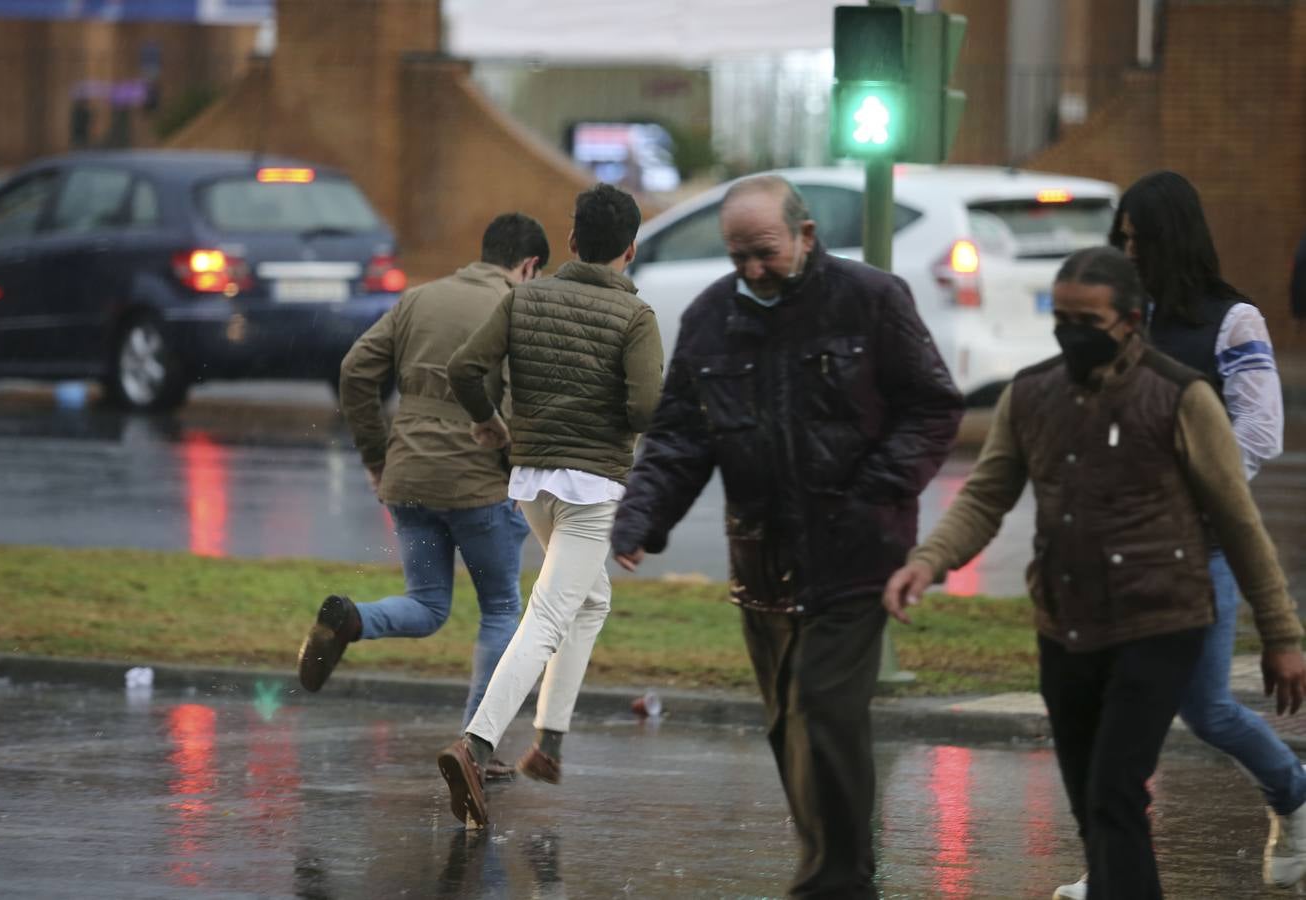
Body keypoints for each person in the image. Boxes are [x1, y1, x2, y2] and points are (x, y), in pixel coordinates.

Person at [883, 245, 1306, 900]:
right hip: (1067, 623)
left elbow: (1239, 522)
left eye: (1090, 320)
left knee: (1114, 788)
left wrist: (1282, 637)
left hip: (1161, 619)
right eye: (1062, 316)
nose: (1072, 332)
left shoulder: (1181, 398)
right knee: (1090, 799)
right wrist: (928, 560)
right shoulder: (1032, 395)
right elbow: (985, 495)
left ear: (1132, 320)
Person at [610, 174, 964, 898]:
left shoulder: (870, 300)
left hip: (857, 553)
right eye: (737, 255)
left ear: (805, 236)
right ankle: (837, 868)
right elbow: (680, 435)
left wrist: (876, 493)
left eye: (765, 252)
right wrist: (641, 518)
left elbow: (932, 406)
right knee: (788, 727)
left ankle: (834, 882)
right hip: (763, 558)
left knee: (821, 710)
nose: (751, 270)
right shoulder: (712, 315)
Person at [1048, 170, 1304, 899]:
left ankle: (1294, 792)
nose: (1128, 254)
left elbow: (1259, 432)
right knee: (1116, 709)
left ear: (1174, 237)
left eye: (1139, 240)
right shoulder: (1123, 317)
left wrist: (1190, 495)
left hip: (1201, 547)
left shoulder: (1232, 321)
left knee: (1207, 707)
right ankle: (1109, 867)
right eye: (1119, 241)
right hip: (1114, 550)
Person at [434, 183, 663, 827]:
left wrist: (491, 425)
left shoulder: (524, 298)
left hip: (531, 477)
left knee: (590, 600)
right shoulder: (636, 318)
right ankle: (475, 744)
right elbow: (645, 407)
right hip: (594, 489)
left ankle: (550, 744)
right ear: (631, 250)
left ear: (570, 243)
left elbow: (463, 368)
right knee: (549, 615)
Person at [297, 213, 549, 781]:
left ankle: (351, 619)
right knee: (502, 610)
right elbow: (527, 401)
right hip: (481, 483)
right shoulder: (519, 308)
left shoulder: (419, 299)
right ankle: (475, 747)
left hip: (408, 478)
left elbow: (356, 370)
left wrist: (375, 455)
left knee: (430, 604)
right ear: (529, 266)